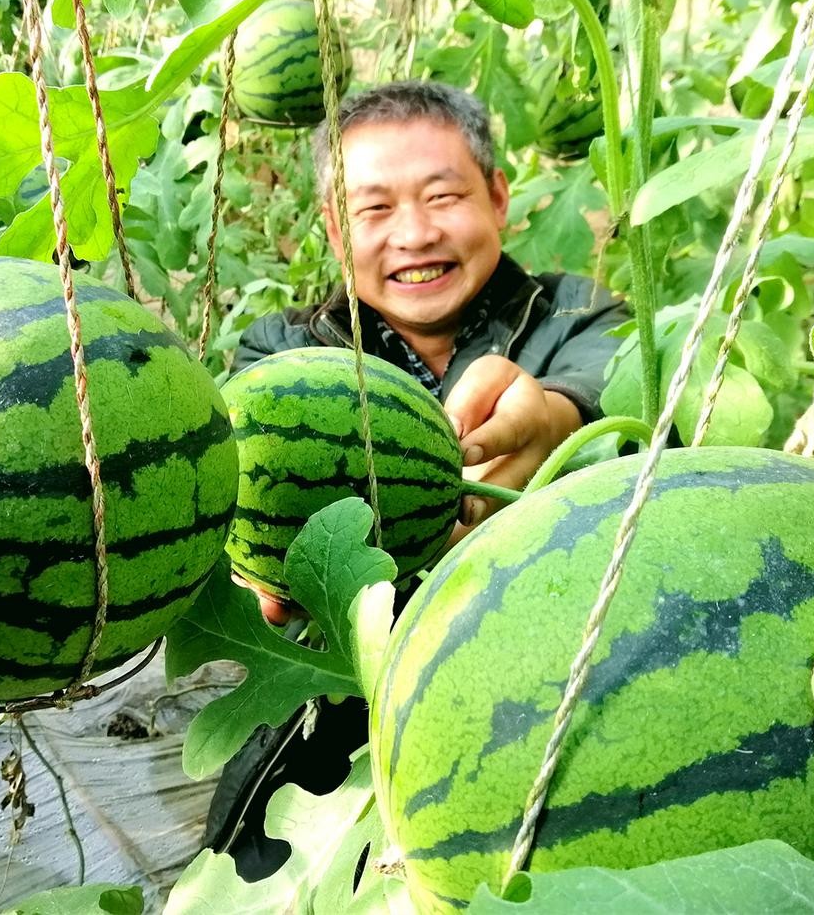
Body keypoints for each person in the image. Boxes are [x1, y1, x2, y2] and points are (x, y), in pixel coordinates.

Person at [205, 79, 628, 876]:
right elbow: (252, 481)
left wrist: (557, 420)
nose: (415, 233)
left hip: (550, 706)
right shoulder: (285, 349)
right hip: (337, 734)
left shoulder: (580, 313)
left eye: (443, 195)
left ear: (499, 197)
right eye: (374, 209)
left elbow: (609, 386)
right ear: (335, 229)